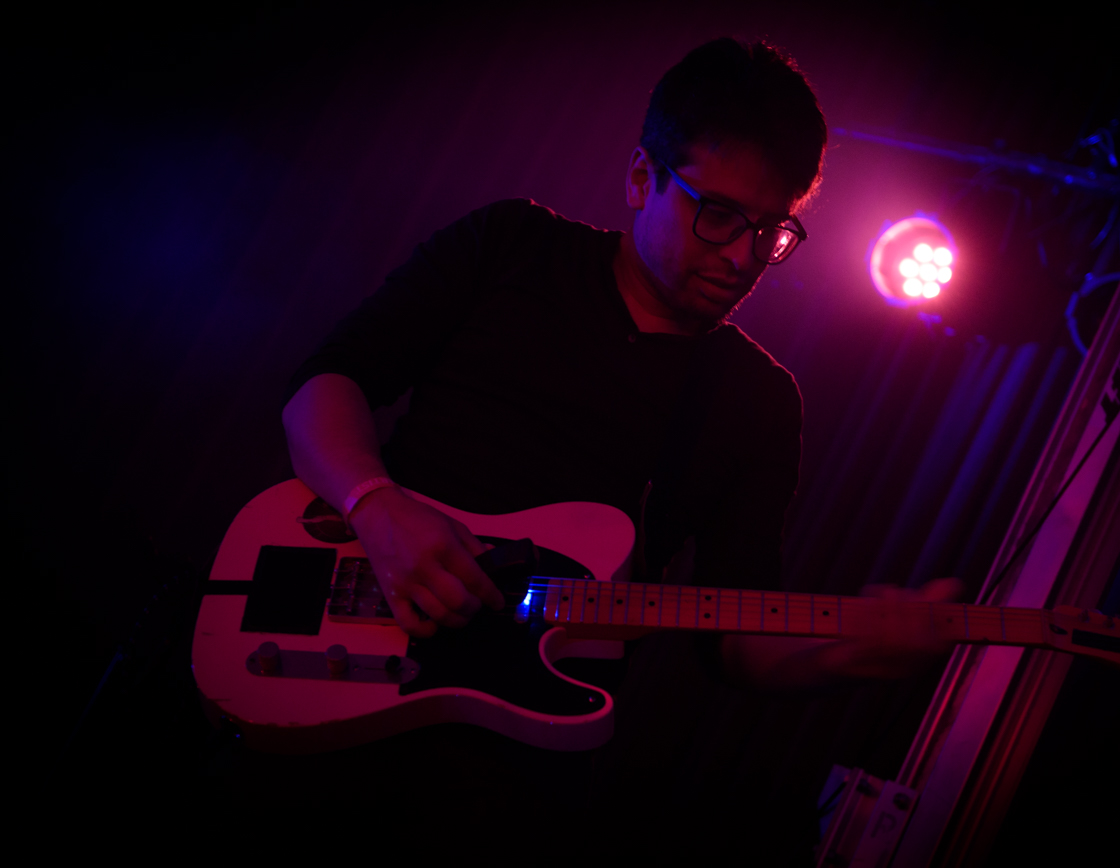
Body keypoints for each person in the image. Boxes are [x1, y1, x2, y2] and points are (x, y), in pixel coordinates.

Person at [280, 37, 955, 859]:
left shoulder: (759, 402)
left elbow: (735, 636)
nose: (742, 256)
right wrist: (374, 505)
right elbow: (326, 384)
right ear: (642, 177)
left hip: (507, 776)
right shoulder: (511, 246)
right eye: (717, 215)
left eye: (771, 231)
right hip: (338, 668)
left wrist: (853, 653)